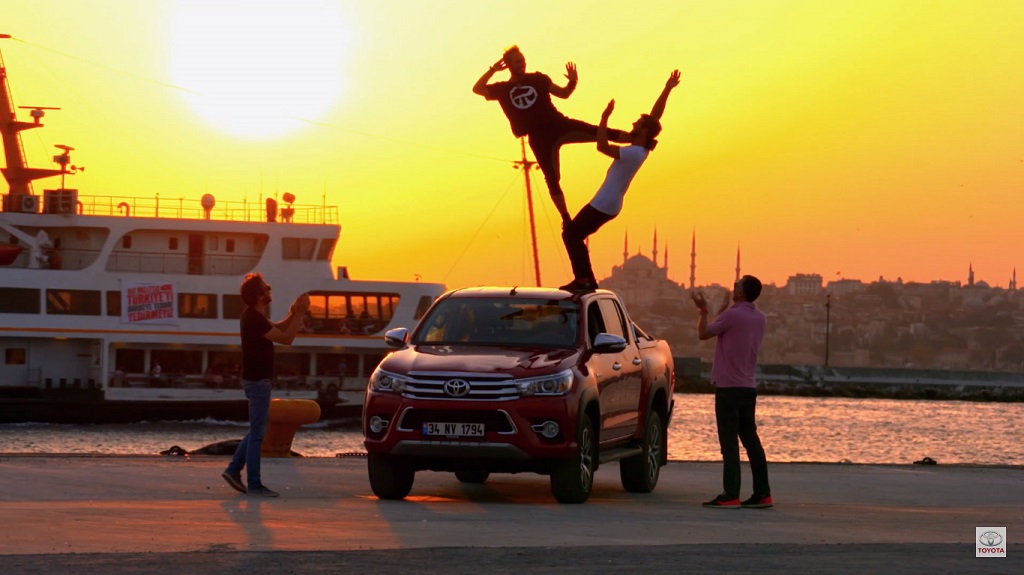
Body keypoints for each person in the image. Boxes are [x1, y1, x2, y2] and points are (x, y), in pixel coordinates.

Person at [473, 45, 630, 223]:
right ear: (508, 65)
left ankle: (636, 139)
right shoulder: (502, 89)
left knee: (596, 132)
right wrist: (493, 70)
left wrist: (572, 82)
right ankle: (566, 218)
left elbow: (564, 94)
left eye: (523, 60)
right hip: (538, 138)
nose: (522, 64)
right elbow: (477, 89)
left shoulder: (538, 79)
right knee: (552, 177)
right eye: (517, 62)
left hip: (559, 125)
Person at [559, 70, 680, 291]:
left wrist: (604, 119)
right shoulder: (640, 148)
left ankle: (584, 279)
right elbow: (655, 116)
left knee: (571, 234)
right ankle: (585, 278)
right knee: (574, 234)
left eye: (637, 124)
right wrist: (667, 89)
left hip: (605, 203)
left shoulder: (634, 153)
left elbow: (602, 147)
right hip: (607, 203)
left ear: (643, 132)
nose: (633, 124)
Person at [222, 273, 310, 497]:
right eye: (267, 288)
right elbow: (287, 338)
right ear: (259, 295)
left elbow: (278, 328)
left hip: (255, 381)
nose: (270, 290)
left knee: (256, 430)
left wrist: (292, 314)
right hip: (258, 382)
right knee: (258, 433)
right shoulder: (253, 319)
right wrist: (299, 314)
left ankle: (233, 470)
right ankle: (254, 484)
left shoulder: (253, 317)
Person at [691, 275, 772, 509]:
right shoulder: (760, 318)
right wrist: (724, 311)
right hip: (748, 387)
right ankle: (763, 493)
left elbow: (704, 333)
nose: (732, 287)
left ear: (741, 292)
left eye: (736, 286)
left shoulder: (732, 315)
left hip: (728, 388)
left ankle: (731, 494)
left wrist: (704, 310)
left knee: (729, 443)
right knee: (751, 441)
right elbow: (732, 329)